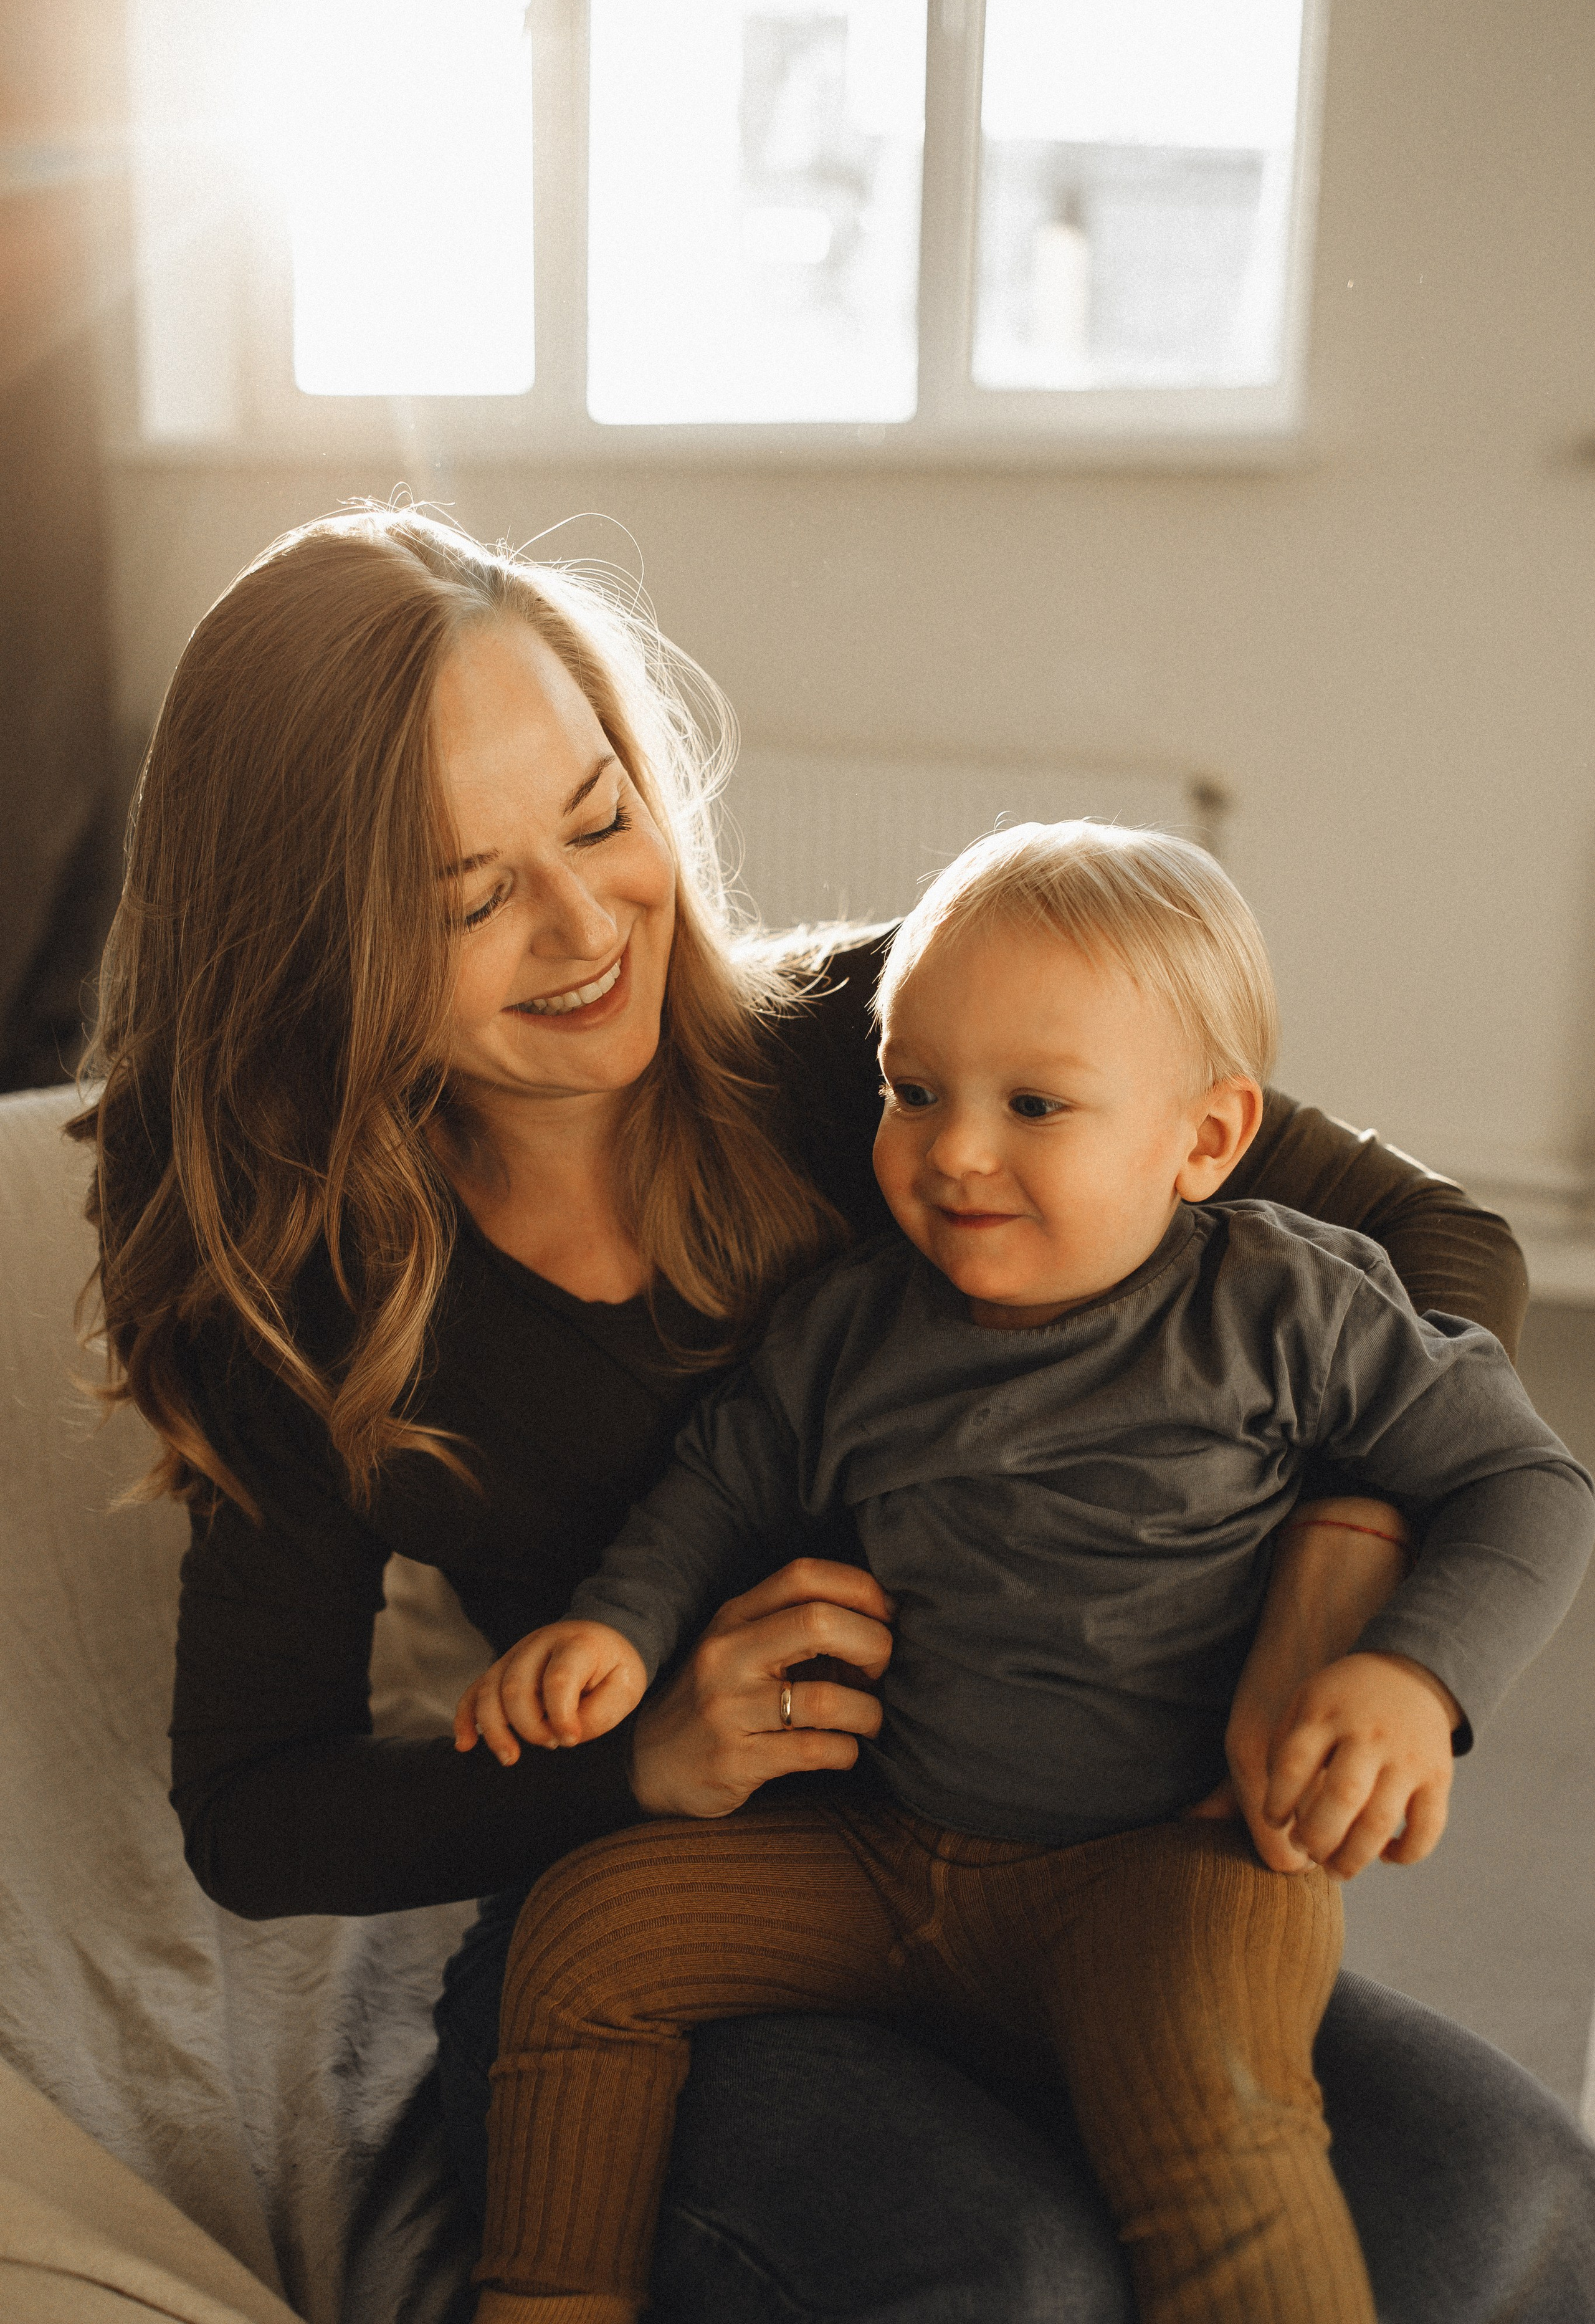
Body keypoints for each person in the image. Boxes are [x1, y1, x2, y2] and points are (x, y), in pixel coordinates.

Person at [71, 508, 1595, 2324]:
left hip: (1082, 1851)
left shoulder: (896, 1052)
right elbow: (257, 1813)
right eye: (468, 894)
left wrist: (1344, 1564)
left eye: (599, 816)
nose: (584, 927)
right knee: (1009, 2278)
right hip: (699, 1921)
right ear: (307, 934)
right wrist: (633, 1760)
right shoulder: (312, 1299)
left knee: (1502, 2196)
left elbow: (1437, 1242)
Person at [453, 821, 1593, 2324]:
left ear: (1202, 1138)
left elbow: (1522, 1480)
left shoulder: (1283, 1310)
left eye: (1033, 1105)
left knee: (1215, 2120)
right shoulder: (853, 1321)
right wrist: (616, 1623)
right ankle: (546, 2298)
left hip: (1166, 1867)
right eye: (910, 1092)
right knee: (589, 1936)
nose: (953, 1149)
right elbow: (720, 1480)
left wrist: (1407, 1671)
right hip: (889, 1851)